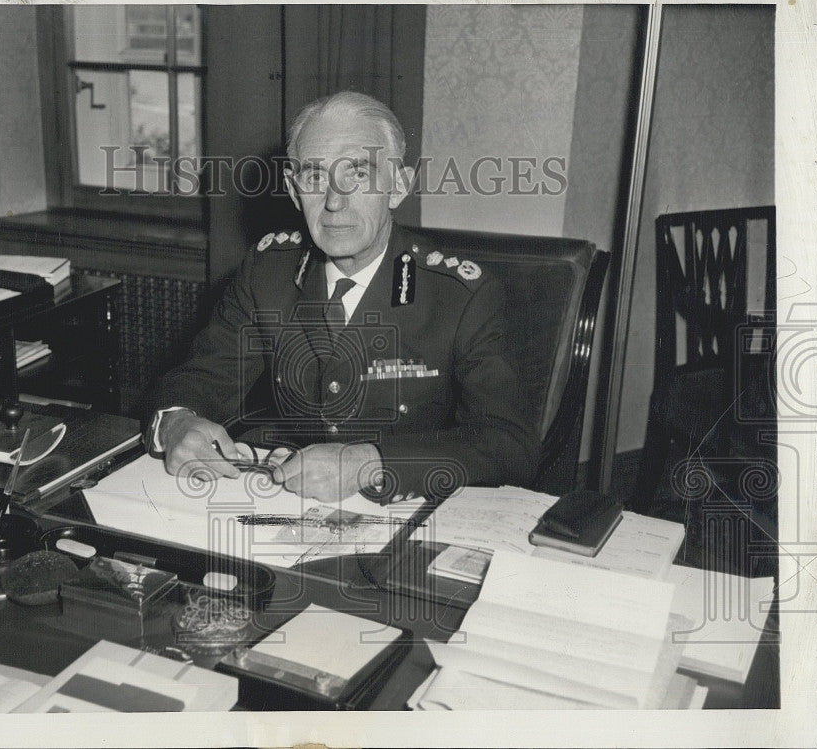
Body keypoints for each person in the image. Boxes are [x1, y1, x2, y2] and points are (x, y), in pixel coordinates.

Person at [145, 90, 539, 504]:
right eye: (315, 176)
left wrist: (370, 463)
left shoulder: (461, 296)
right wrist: (175, 424)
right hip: (283, 504)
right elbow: (202, 378)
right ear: (295, 192)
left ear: (398, 186)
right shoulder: (267, 272)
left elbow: (510, 444)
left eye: (358, 173)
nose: (334, 202)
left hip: (408, 514)